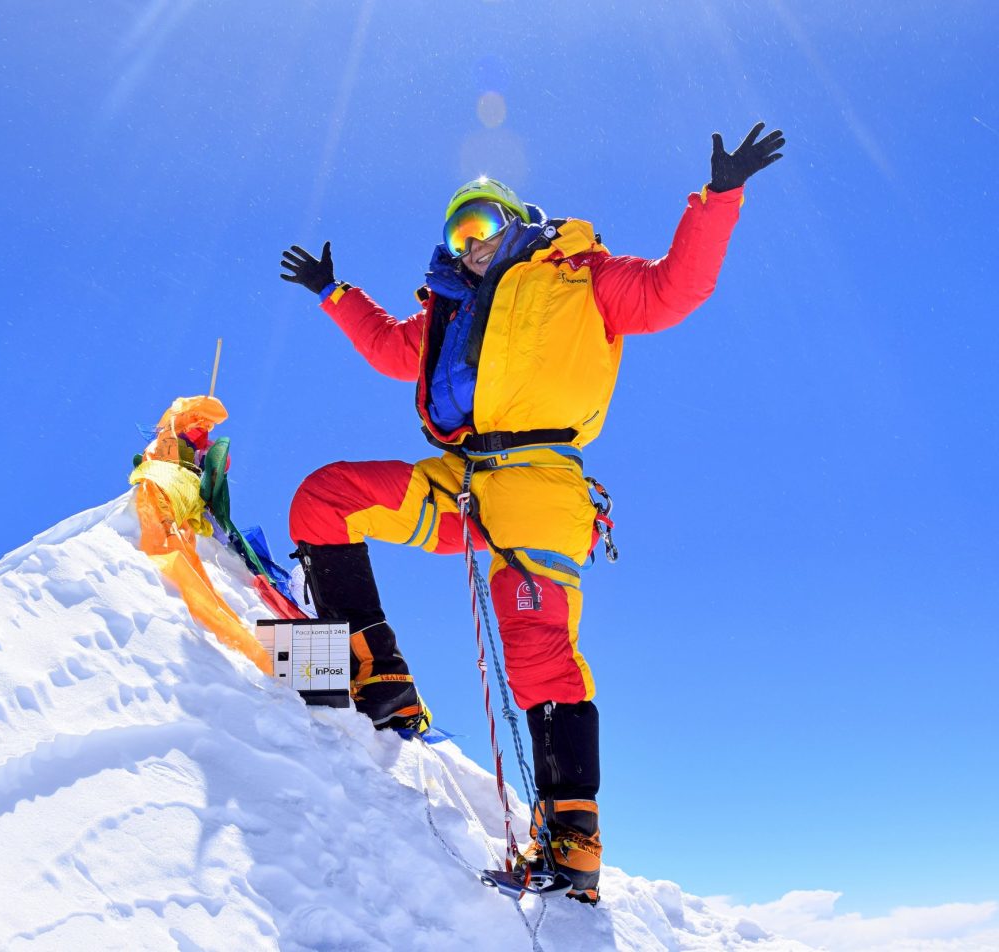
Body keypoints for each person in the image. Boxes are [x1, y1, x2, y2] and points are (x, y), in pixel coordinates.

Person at [280, 122, 785, 904]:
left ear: (515, 220)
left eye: (482, 223)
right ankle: (364, 675)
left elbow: (674, 289)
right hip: (467, 478)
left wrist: (719, 199)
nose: (471, 242)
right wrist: (334, 295)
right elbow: (388, 350)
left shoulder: (581, 275)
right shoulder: (450, 312)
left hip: (542, 484)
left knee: (539, 654)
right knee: (324, 500)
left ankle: (572, 846)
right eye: (458, 231)